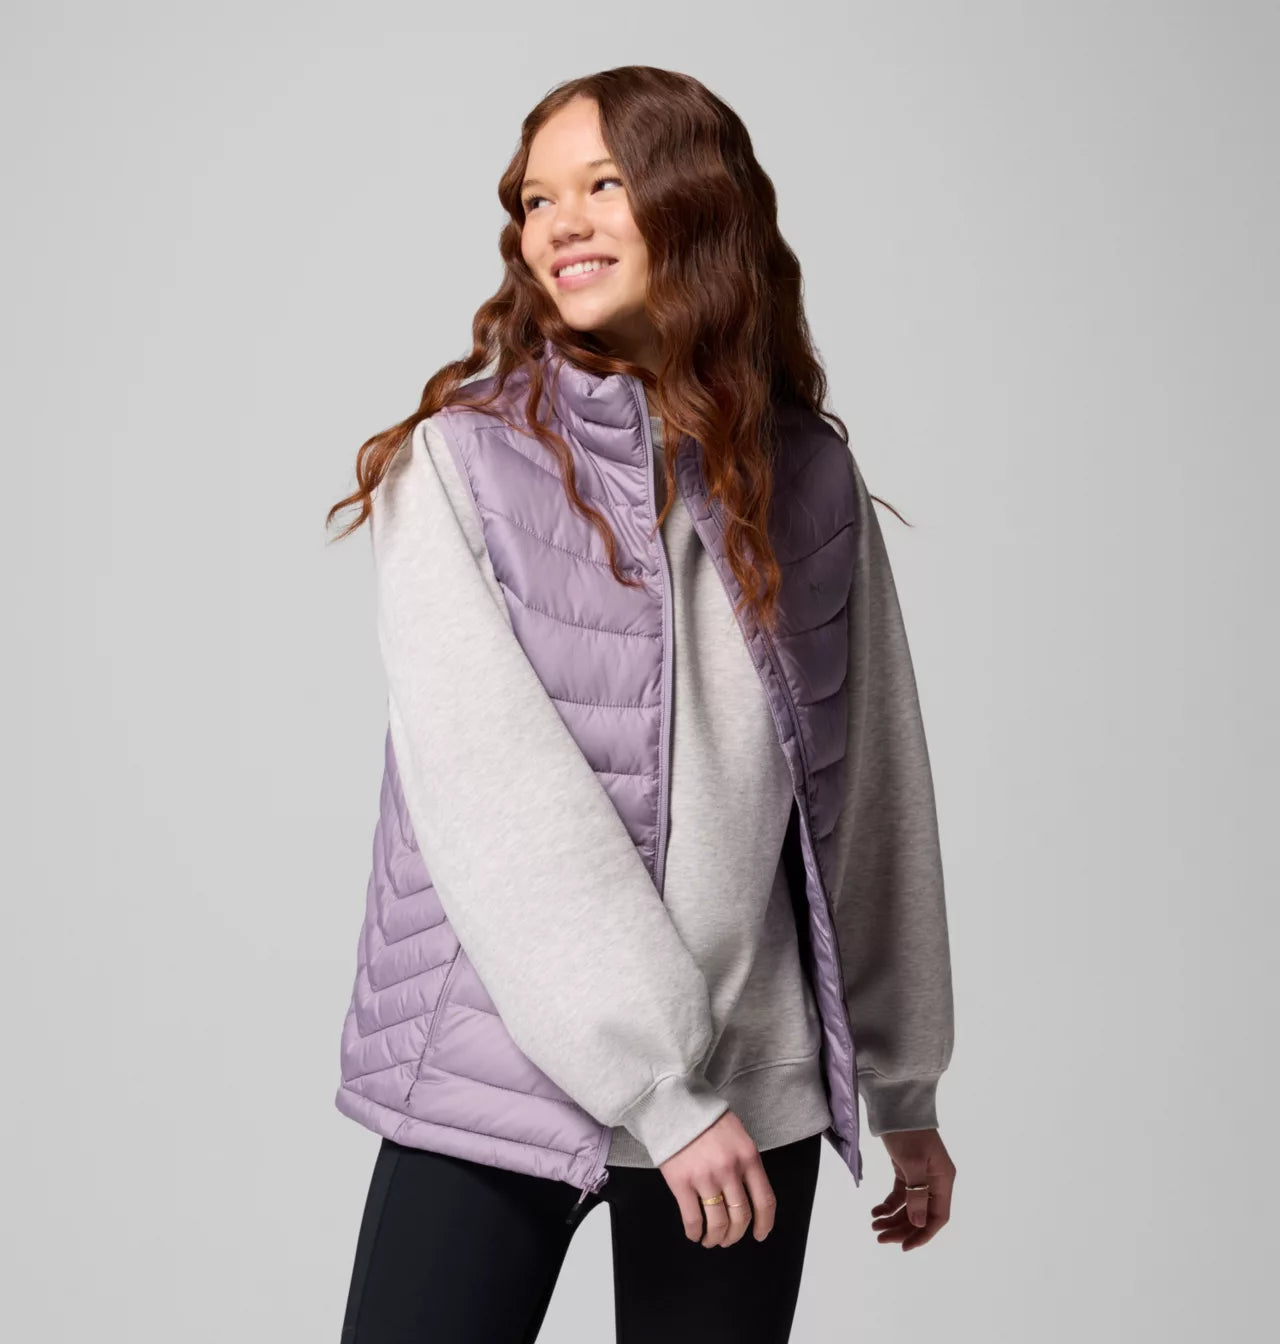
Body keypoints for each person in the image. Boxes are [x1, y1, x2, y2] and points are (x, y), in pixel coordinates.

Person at [326, 65, 956, 1344]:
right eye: (535, 200)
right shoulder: (454, 465)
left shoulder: (810, 477)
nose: (558, 223)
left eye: (602, 185)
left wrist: (901, 1082)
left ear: (694, 202)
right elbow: (493, 798)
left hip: (751, 1081)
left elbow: (872, 790)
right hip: (495, 1069)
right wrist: (656, 1087)